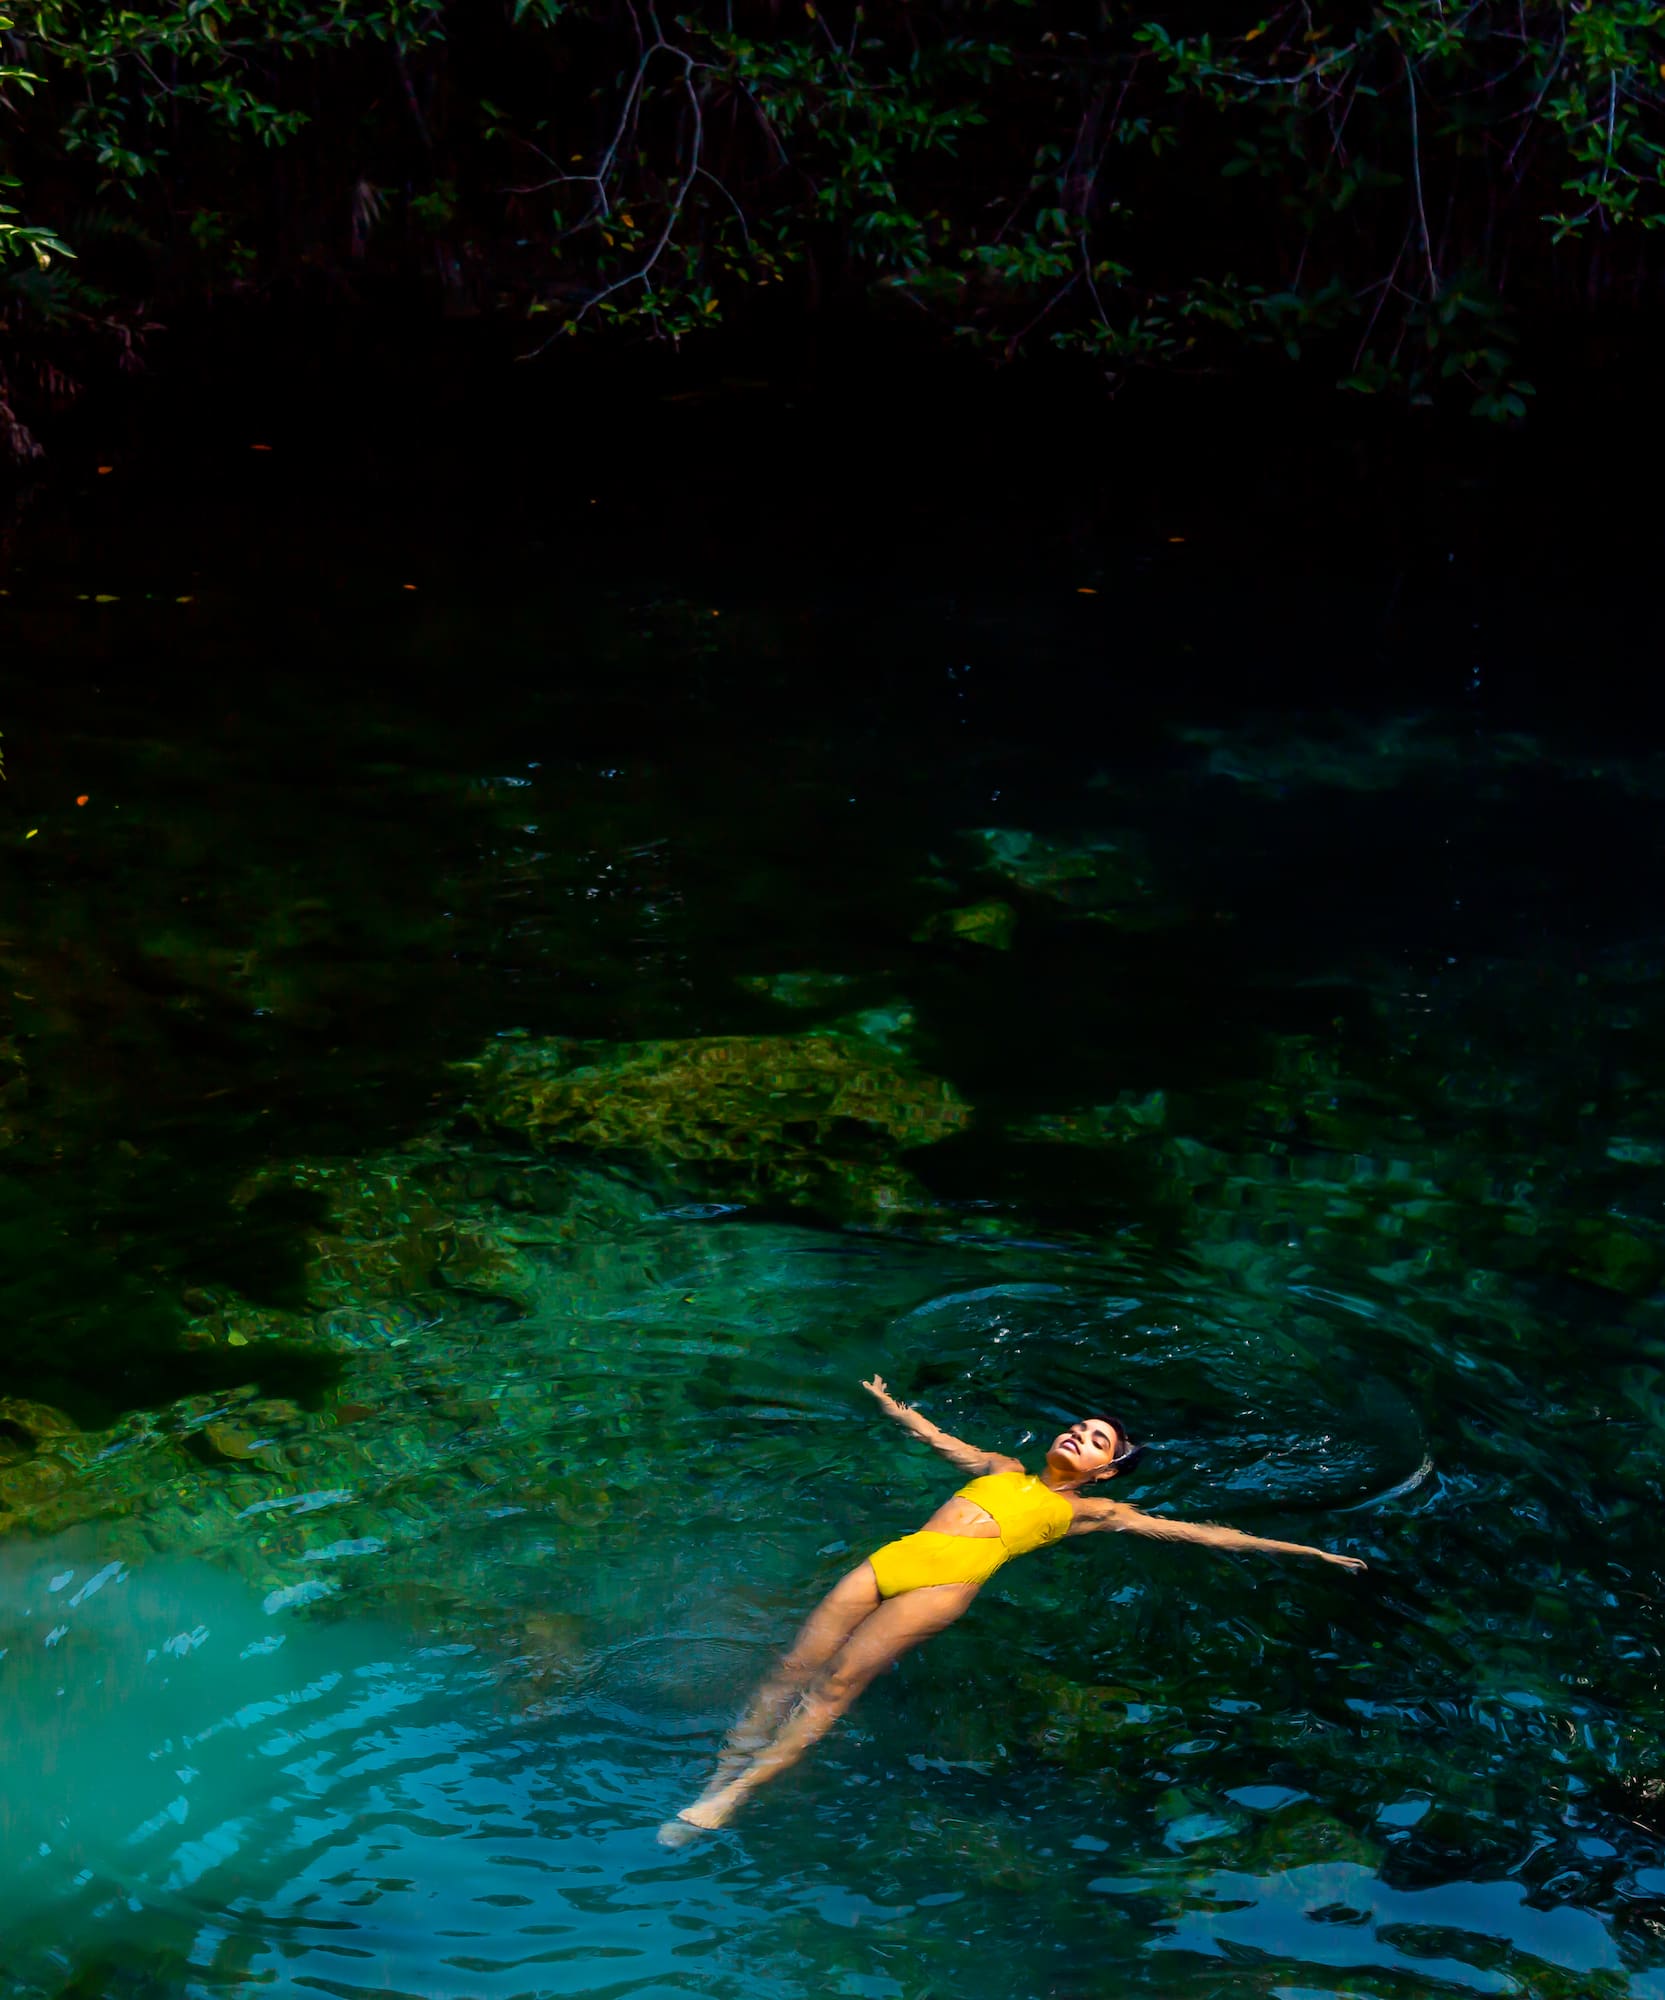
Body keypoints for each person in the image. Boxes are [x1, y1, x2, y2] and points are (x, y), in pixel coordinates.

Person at [659, 1373, 1367, 1845]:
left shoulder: (1092, 1512)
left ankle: (737, 1795)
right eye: (1076, 1427)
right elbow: (938, 1438)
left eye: (1095, 1441)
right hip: (893, 1559)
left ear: (1105, 1470)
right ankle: (717, 1774)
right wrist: (890, 1403)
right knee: (793, 1664)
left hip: (943, 1588)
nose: (1075, 1437)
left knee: (834, 1685)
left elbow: (1199, 1533)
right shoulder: (1000, 1467)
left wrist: (1308, 1554)